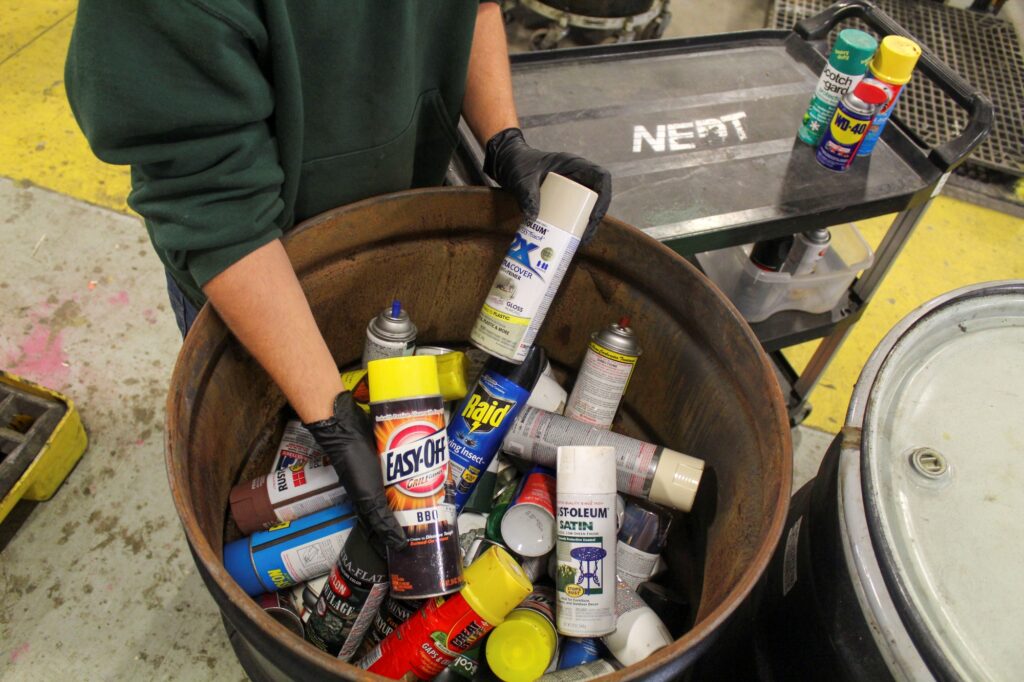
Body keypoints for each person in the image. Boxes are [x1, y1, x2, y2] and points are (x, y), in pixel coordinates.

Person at [65, 1, 611, 552]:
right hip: (254, 275)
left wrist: (504, 138)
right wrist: (331, 416)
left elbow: (474, 5)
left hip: (398, 208)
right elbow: (208, 202)